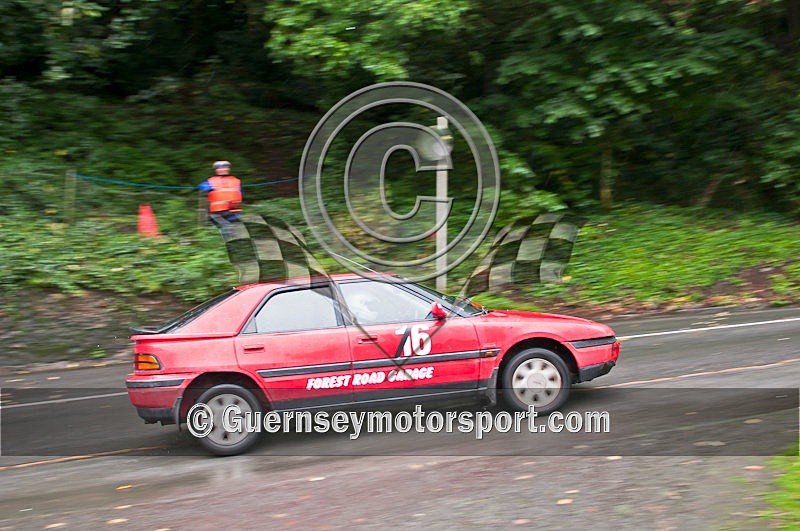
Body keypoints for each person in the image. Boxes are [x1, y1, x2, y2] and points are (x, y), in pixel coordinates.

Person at [198, 160, 243, 227]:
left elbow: (241, 193)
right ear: (216, 170)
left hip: (234, 211)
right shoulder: (211, 181)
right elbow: (202, 187)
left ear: (228, 168)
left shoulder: (236, 181)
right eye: (220, 167)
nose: (223, 169)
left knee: (234, 230)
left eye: (225, 167)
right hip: (218, 212)